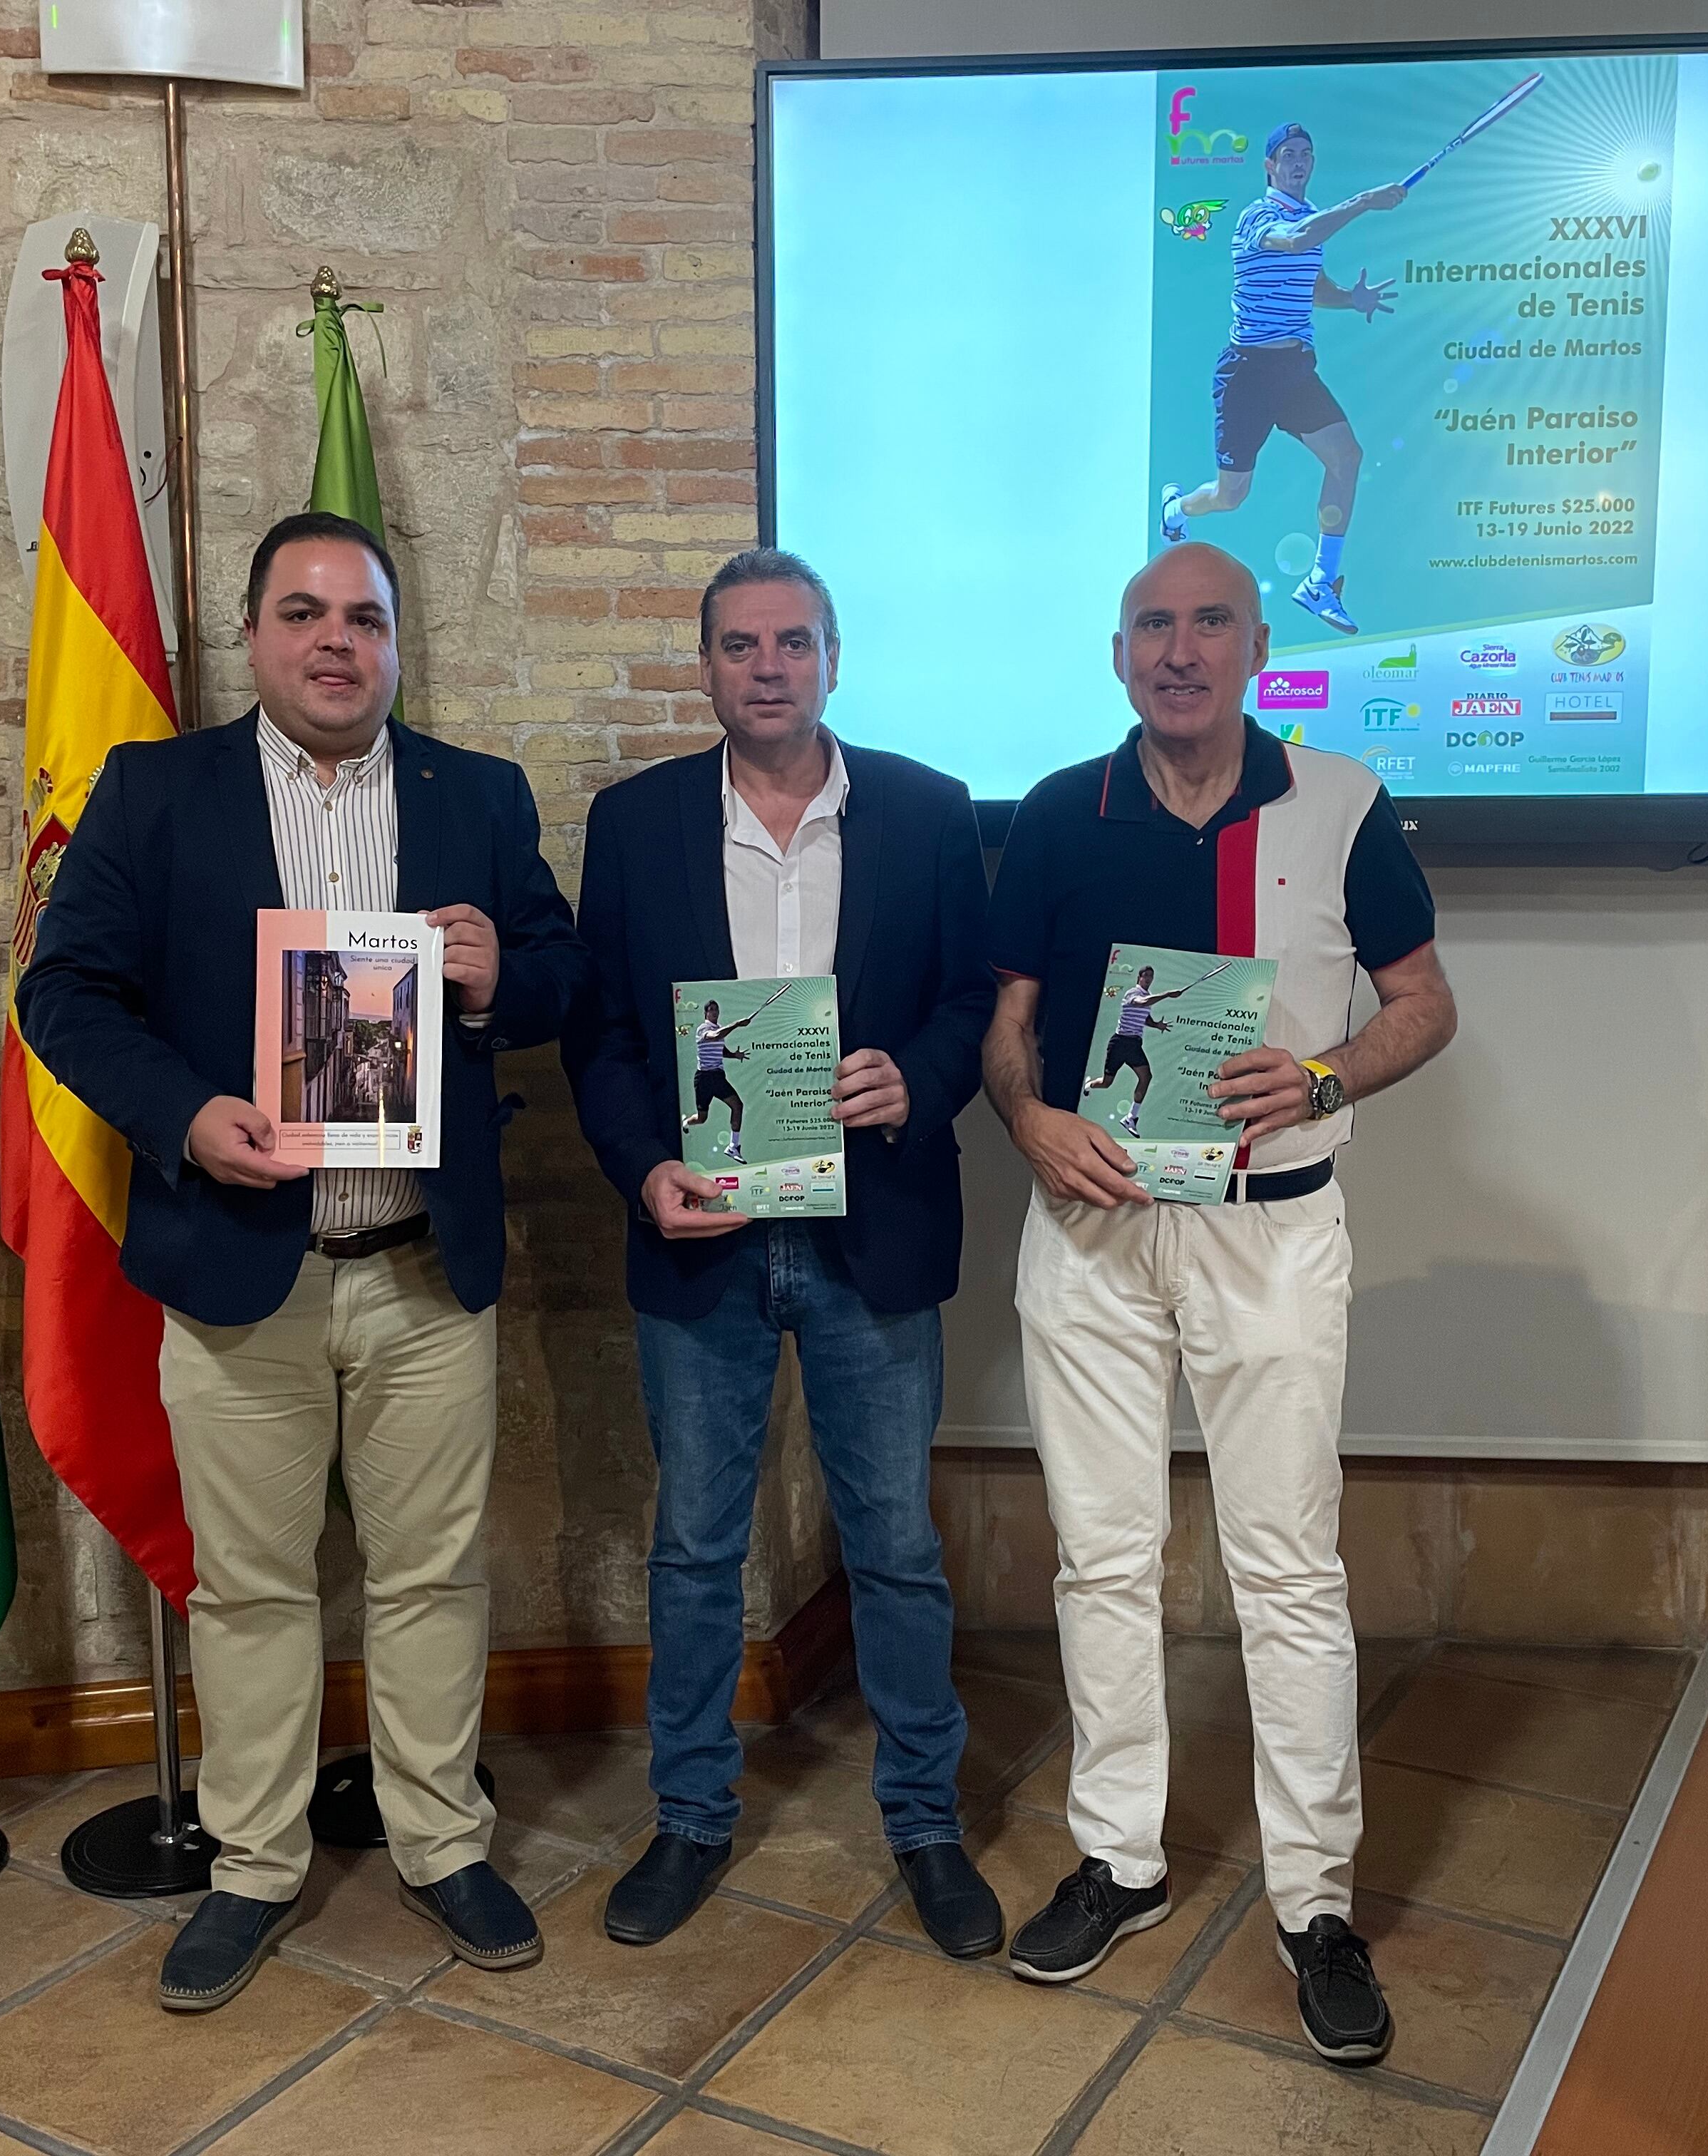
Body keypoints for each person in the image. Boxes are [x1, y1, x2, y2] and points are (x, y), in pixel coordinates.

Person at [17, 510, 590, 2011]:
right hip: (239, 1266)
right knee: (254, 1589)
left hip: (418, 1272)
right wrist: (184, 1114)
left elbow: (566, 975)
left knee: (430, 1575)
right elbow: (60, 993)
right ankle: (254, 1865)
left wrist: (496, 979)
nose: (339, 641)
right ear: (258, 637)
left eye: (366, 619)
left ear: (395, 643)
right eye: (307, 613)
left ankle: (440, 1839)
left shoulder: (475, 794)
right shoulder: (152, 795)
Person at [981, 542, 1456, 2065]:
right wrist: (1029, 1123)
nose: (1178, 650)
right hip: (1097, 1235)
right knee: (1102, 1558)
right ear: (1119, 654)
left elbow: (1425, 1004)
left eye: (1208, 624)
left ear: (1257, 646)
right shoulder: (1061, 811)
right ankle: (1119, 1859)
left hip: (1271, 1235)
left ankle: (1317, 1905)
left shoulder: (1341, 803)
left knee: (1288, 1571)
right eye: (1150, 627)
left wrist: (1318, 1075)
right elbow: (1012, 1029)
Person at [566, 548, 1005, 1959]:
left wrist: (917, 1082)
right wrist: (644, 1168)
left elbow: (967, 998)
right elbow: (603, 1038)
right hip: (705, 1244)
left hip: (870, 1229)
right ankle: (691, 1816)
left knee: (894, 1544)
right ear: (705, 667)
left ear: (833, 659)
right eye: (741, 644)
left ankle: (926, 1822)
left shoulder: (930, 812)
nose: (769, 666)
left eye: (794, 642)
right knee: (697, 1548)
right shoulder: (633, 825)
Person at [1159, 122, 1403, 634]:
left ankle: (1320, 581)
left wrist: (1351, 299)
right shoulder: (1258, 217)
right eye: (1288, 154)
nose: (1298, 162)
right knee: (1231, 496)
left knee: (1347, 457)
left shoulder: (1313, 217)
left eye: (1306, 154)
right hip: (1247, 374)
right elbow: (1293, 243)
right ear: (1269, 165)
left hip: (1294, 372)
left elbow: (1313, 287)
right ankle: (1178, 507)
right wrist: (1362, 203)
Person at [1081, 964, 1186, 1136]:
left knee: (1146, 1077)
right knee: (1107, 1083)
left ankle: (1131, 1118)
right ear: (1139, 977)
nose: (1149, 979)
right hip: (1119, 1043)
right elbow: (1141, 1004)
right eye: (1146, 976)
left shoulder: (1148, 997)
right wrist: (1167, 994)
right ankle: (1090, 1084)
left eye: (1151, 976)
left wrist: (1157, 1025)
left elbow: (1146, 1018)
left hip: (1134, 1045)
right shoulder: (1133, 993)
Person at [681, 997, 756, 1161]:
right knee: (702, 1119)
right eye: (711, 1010)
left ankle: (733, 1147)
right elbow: (715, 1037)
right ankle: (687, 1122)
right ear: (706, 1013)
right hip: (704, 1079)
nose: (714, 1012)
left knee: (738, 1106)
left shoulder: (720, 1029)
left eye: (716, 1010)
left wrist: (734, 1055)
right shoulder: (703, 1029)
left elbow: (720, 1050)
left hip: (718, 1077)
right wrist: (737, 1024)